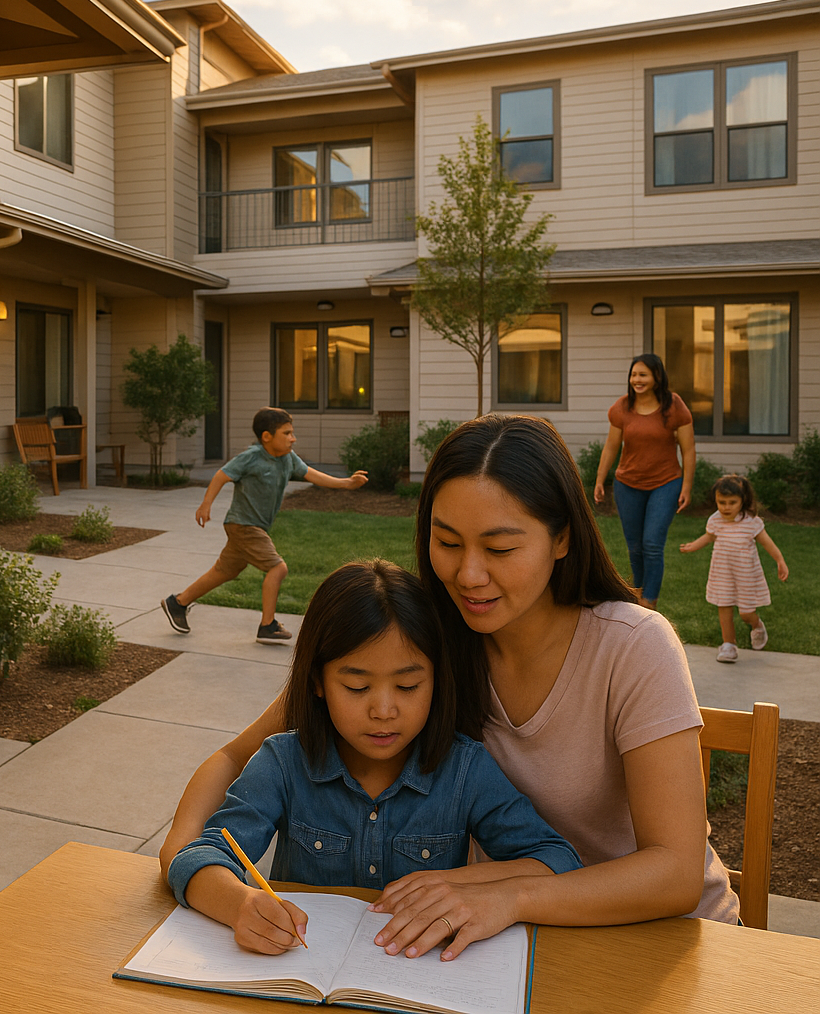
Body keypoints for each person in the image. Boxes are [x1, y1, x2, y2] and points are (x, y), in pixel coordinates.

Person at [160, 414, 738, 961]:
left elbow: (675, 872)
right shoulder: (427, 644)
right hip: (500, 940)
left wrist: (508, 896)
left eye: (501, 548)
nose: (469, 575)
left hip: (661, 942)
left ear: (561, 539)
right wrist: (185, 862)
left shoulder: (634, 646)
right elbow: (235, 757)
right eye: (449, 542)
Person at [169, 561, 581, 958]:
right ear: (317, 681)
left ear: (437, 679)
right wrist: (240, 904)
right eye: (356, 686)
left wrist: (456, 884)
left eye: (407, 686)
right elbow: (199, 857)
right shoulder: (283, 763)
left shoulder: (464, 770)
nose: (384, 710)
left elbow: (557, 860)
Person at [160, 407, 367, 645]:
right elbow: (221, 475)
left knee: (225, 571)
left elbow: (312, 474)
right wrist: (205, 505)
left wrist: (346, 483)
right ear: (267, 436)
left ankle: (178, 603)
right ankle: (267, 626)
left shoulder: (288, 458)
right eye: (287, 433)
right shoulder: (252, 456)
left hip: (252, 526)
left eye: (292, 433)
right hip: (244, 525)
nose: (293, 438)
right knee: (277, 568)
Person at [594, 353, 695, 610]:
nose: (637, 380)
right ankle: (637, 594)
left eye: (643, 374)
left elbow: (689, 450)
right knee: (635, 547)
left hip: (666, 482)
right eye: (634, 374)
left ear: (657, 377)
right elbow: (611, 446)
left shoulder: (674, 407)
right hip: (628, 485)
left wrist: (686, 486)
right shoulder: (623, 408)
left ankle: (649, 601)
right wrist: (600, 479)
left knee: (652, 543)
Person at [679, 474, 789, 664]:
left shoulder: (751, 522)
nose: (726, 507)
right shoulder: (715, 520)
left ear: (742, 501)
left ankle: (756, 625)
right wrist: (693, 545)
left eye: (732, 502)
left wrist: (780, 560)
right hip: (722, 574)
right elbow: (709, 537)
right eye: (722, 502)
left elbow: (767, 543)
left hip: (746, 575)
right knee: (724, 607)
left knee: (746, 612)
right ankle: (729, 645)